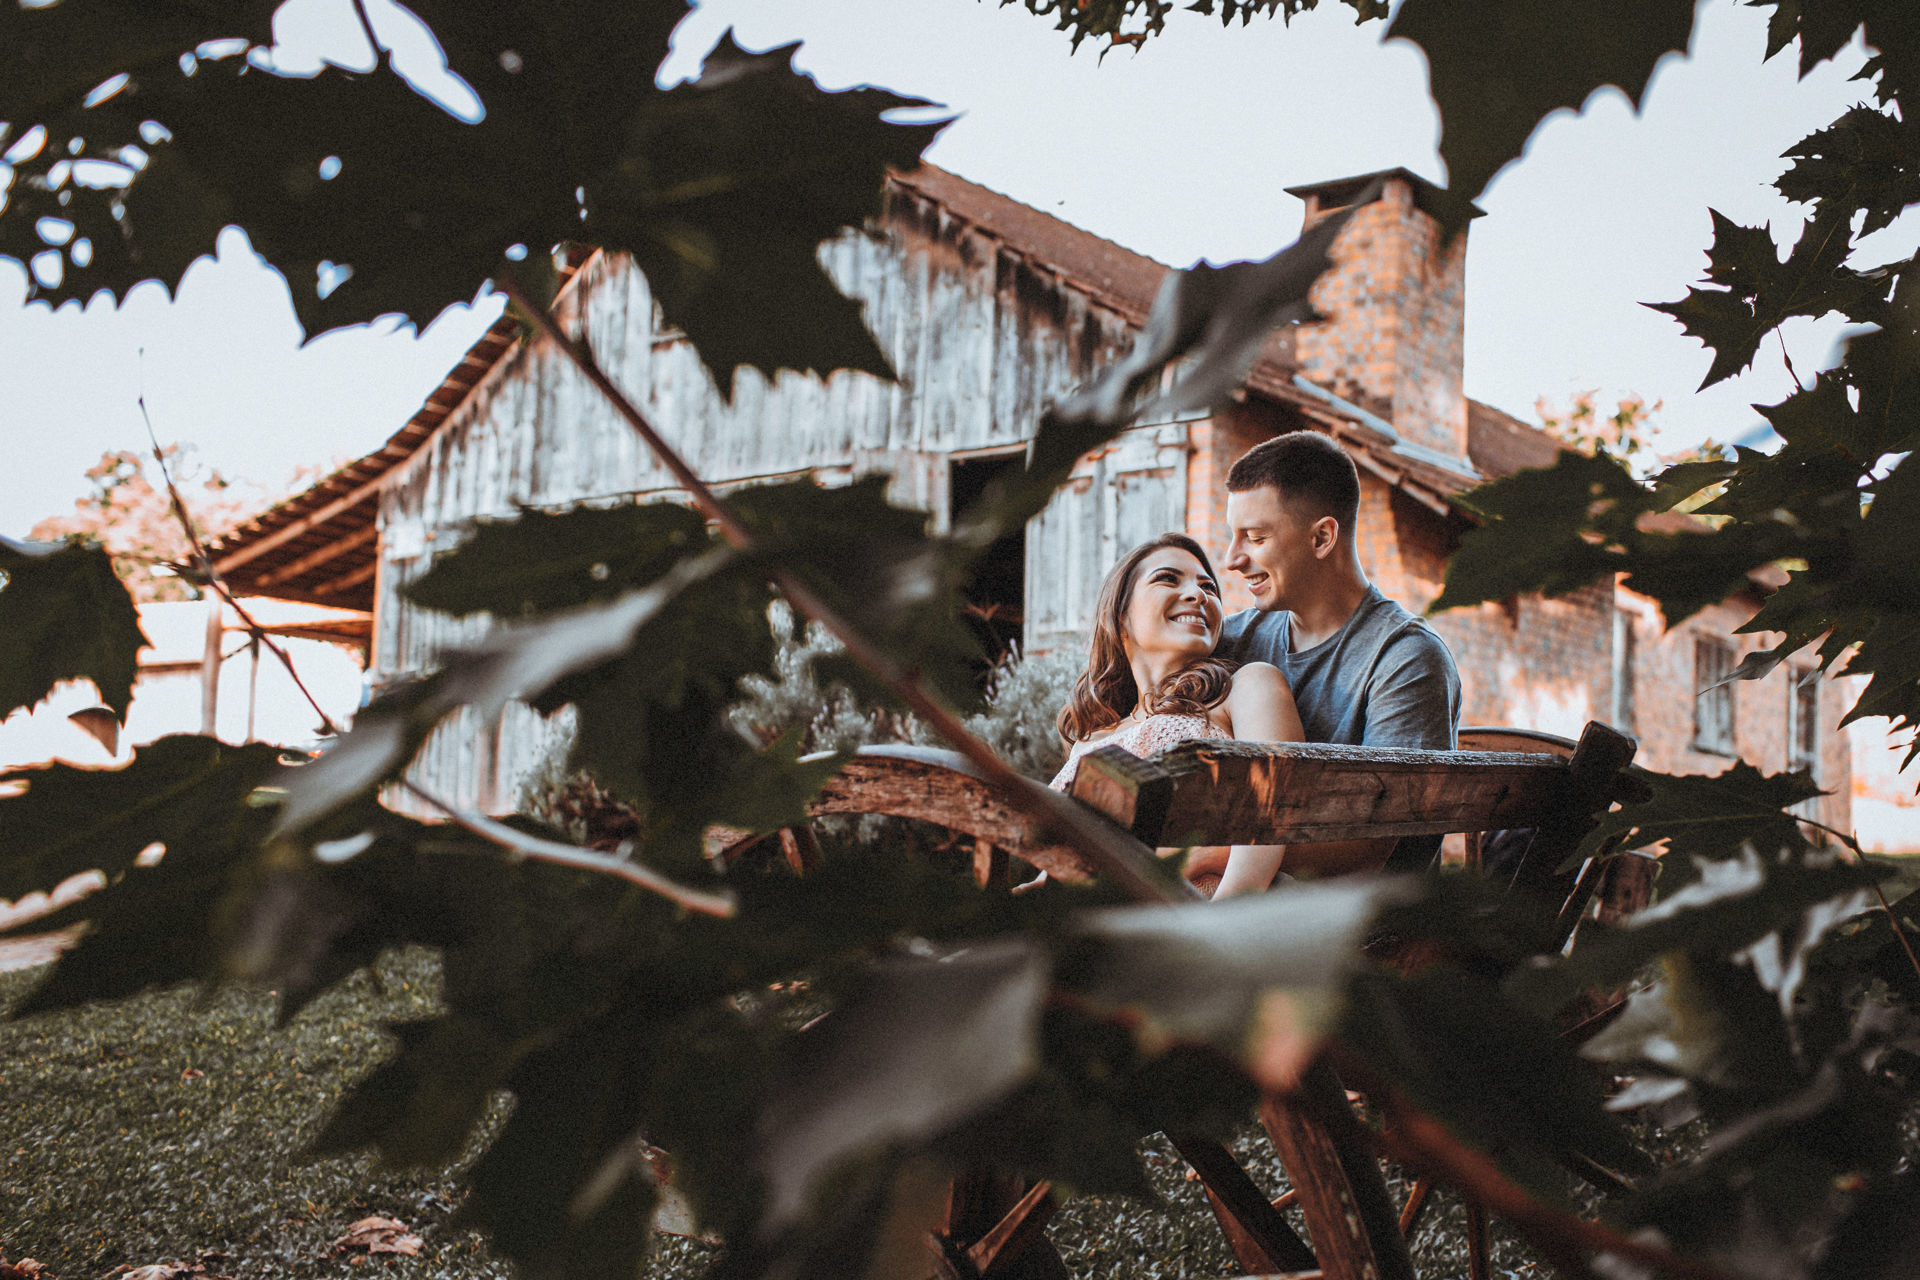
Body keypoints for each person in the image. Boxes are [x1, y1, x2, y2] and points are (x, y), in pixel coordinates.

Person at [1215, 430, 1461, 878]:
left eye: (1254, 537)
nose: (1232, 559)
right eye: (1234, 537)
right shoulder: (1233, 639)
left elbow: (1376, 845)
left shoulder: (1405, 660)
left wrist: (1207, 854)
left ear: (1322, 537)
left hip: (1367, 914)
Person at [1050, 532, 1304, 897]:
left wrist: (1217, 919)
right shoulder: (1092, 739)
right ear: (1120, 617)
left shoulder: (1247, 687)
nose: (1198, 594)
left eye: (1208, 587)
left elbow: (1269, 815)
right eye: (1168, 579)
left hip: (1202, 916)